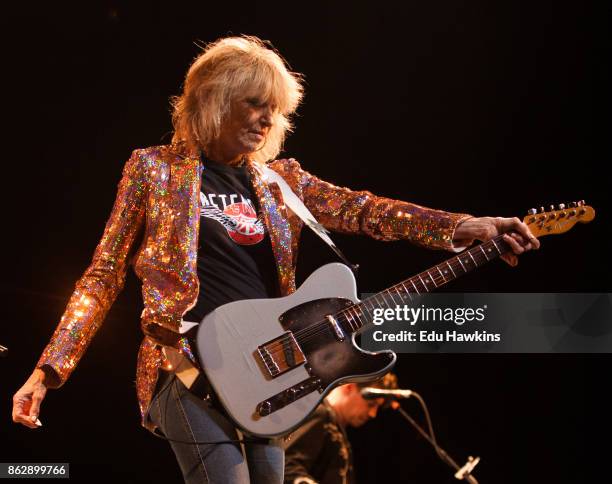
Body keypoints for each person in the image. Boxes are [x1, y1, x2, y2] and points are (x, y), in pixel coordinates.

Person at [11, 35, 539, 483]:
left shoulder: (279, 180)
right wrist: (48, 370)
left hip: (272, 377)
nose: (268, 119)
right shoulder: (154, 171)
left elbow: (364, 209)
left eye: (276, 110)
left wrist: (460, 225)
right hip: (186, 367)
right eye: (255, 103)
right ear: (215, 99)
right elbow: (103, 274)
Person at [283, 374, 399, 484]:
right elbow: (286, 467)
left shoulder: (336, 427)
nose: (373, 414)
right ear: (349, 387)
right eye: (370, 404)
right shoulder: (320, 414)